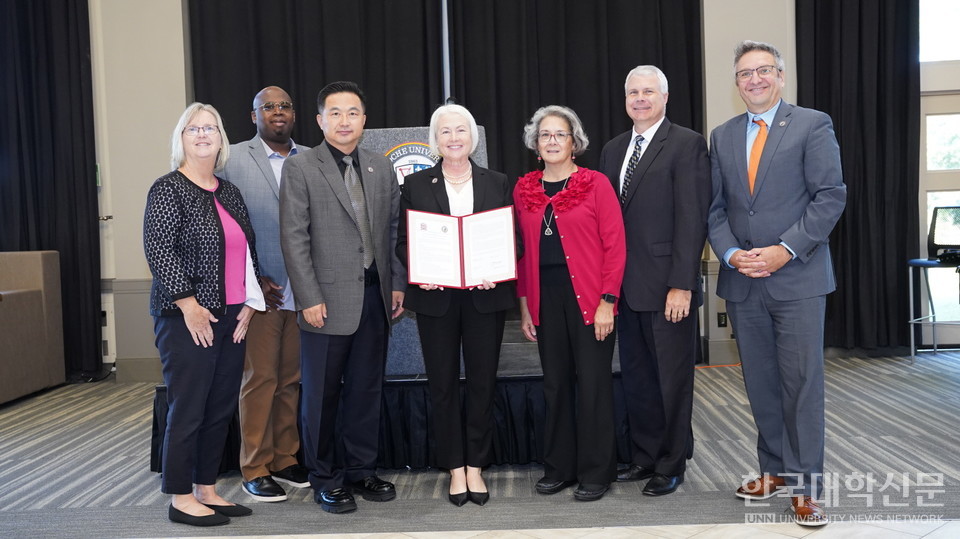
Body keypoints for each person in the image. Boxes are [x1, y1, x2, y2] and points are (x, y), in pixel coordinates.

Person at [707, 40, 846, 527]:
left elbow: (830, 197)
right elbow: (716, 209)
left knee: (801, 385)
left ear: (780, 77)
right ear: (737, 83)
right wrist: (731, 254)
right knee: (761, 383)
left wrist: (784, 249)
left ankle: (806, 488)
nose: (755, 80)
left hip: (798, 279)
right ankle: (775, 470)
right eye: (745, 74)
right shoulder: (722, 135)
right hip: (743, 281)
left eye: (764, 70)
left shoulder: (812, 124)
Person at [280, 81, 406, 515]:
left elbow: (393, 230)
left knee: (366, 391)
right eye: (335, 113)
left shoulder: (379, 166)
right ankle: (325, 477)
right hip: (325, 303)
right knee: (321, 396)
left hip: (374, 299)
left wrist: (396, 283)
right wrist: (308, 297)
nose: (344, 121)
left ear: (364, 120)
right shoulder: (301, 167)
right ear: (320, 120)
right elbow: (294, 238)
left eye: (353, 112)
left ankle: (360, 470)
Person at [143, 103, 265, 526]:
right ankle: (180, 497)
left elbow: (247, 251)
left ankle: (206, 489)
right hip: (186, 318)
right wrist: (189, 305)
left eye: (210, 128)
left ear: (221, 138)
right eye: (193, 128)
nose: (202, 134)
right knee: (189, 405)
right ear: (181, 138)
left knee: (219, 407)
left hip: (232, 316)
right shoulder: (168, 189)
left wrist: (250, 303)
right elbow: (159, 250)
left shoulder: (229, 192)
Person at [396, 104, 516, 507]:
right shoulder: (416, 184)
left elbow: (511, 238)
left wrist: (498, 268)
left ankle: (476, 465)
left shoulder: (497, 182)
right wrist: (420, 270)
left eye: (460, 130)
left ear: (472, 137)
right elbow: (403, 242)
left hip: (485, 296)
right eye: (445, 131)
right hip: (437, 298)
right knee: (442, 383)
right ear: (435, 140)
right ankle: (454, 467)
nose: (453, 138)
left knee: (483, 381)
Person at [598, 65, 710, 496]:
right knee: (639, 378)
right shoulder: (613, 149)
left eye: (649, 91)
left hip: (668, 288)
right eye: (633, 93)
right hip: (624, 288)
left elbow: (692, 217)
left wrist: (683, 283)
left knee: (672, 381)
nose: (640, 99)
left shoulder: (686, 144)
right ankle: (644, 457)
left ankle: (671, 462)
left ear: (665, 97)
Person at [514, 105, 626, 502]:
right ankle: (559, 467)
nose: (552, 141)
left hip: (591, 299)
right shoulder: (523, 189)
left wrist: (608, 301)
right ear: (535, 144)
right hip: (545, 298)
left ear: (574, 142)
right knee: (555, 385)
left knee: (593, 385)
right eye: (545, 135)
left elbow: (615, 245)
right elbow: (520, 254)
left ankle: (596, 471)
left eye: (560, 134)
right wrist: (525, 306)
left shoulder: (596, 184)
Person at [222, 86, 311, 502]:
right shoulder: (232, 160)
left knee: (291, 379)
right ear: (253, 115)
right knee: (260, 378)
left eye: (285, 106)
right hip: (259, 292)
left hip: (304, 290)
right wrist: (254, 278)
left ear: (294, 114)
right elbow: (225, 227)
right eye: (269, 106)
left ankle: (285, 457)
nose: (278, 112)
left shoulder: (311, 158)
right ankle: (255, 466)